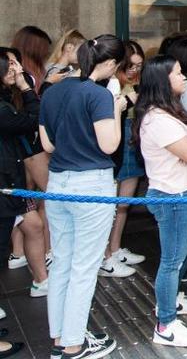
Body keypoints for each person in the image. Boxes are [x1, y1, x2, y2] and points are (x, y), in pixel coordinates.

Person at [40, 35, 127, 359]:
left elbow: (47, 145)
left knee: (62, 262)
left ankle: (60, 337)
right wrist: (117, 108)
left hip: (57, 183)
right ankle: (75, 345)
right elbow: (109, 145)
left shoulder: (52, 91)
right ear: (108, 64)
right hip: (91, 185)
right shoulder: (99, 95)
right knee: (84, 267)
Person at [135, 56, 187, 347]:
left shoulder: (170, 112)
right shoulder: (157, 119)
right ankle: (165, 324)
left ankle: (173, 300)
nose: (183, 78)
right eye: (178, 74)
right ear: (163, 80)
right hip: (172, 196)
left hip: (186, 191)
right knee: (172, 261)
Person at [0, 51, 48, 300]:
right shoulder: (4, 107)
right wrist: (25, 87)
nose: (13, 70)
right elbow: (34, 118)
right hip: (7, 184)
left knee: (34, 225)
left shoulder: (7, 96)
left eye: (14, 64)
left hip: (13, 179)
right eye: (7, 66)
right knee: (33, 225)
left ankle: (41, 280)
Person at [100, 41, 147, 278]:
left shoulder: (131, 83)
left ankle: (115, 248)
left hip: (133, 140)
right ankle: (106, 255)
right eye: (130, 65)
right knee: (114, 202)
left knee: (124, 202)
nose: (134, 70)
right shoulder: (111, 84)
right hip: (118, 143)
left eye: (139, 66)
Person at [12, 27, 51, 95]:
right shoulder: (19, 74)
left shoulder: (37, 68)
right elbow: (32, 101)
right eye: (45, 48)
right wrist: (48, 83)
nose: (47, 52)